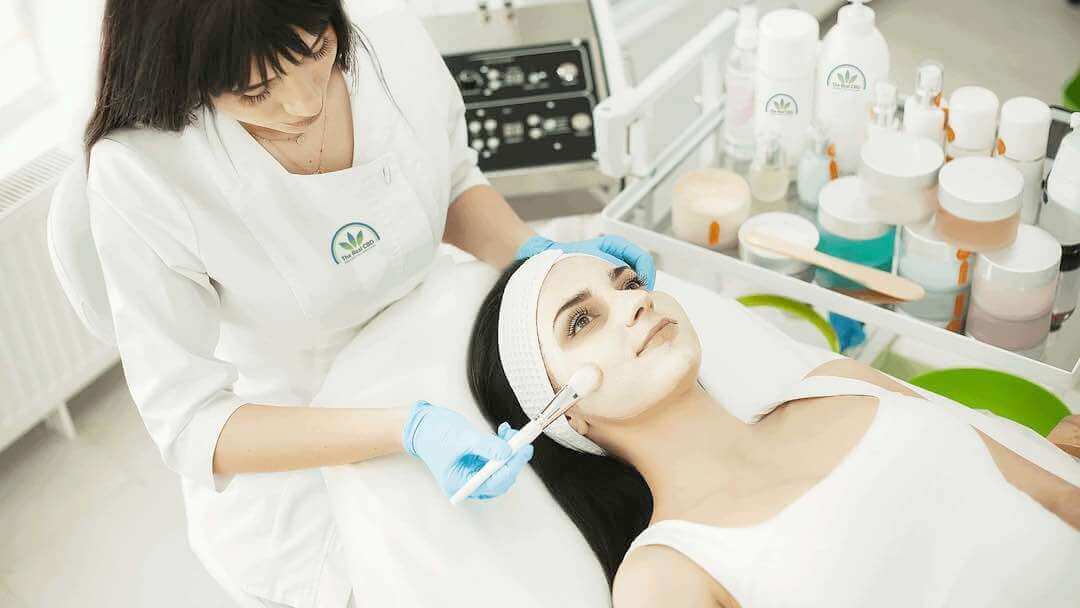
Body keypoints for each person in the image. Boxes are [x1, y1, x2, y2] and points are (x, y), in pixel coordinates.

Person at [82, 1, 655, 606]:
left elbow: (452, 178)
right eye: (255, 93)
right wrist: (405, 430)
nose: (306, 102)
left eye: (318, 52)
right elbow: (193, 425)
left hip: (445, 332)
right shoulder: (143, 172)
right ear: (182, 76)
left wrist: (540, 257)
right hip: (301, 426)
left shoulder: (388, 36)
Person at [468, 251, 1080, 608]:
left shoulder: (837, 384)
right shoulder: (664, 577)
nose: (635, 303)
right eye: (581, 321)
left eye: (627, 283)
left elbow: (1059, 492)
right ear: (563, 413)